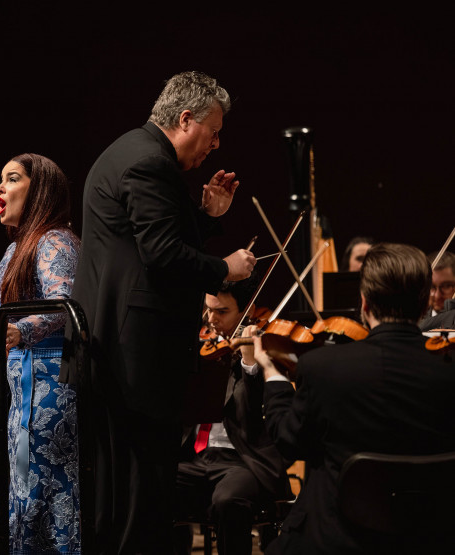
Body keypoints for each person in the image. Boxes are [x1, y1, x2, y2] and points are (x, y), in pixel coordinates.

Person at [71, 70, 255, 553]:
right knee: (139, 497)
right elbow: (163, 256)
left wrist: (206, 218)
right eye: (213, 132)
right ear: (186, 117)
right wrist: (226, 269)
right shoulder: (151, 163)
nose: (216, 144)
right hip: (136, 359)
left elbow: (144, 250)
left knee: (133, 493)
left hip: (121, 351)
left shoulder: (134, 151)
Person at [253, 242, 455, 554]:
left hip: (335, 540)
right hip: (429, 538)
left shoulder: (323, 367)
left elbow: (290, 443)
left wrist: (274, 376)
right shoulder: (448, 371)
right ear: (424, 302)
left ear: (363, 303)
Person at [0, 152, 82, 553]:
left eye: (12, 179)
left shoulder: (54, 239)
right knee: (25, 490)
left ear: (38, 190)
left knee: (48, 490)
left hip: (52, 383)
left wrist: (21, 331)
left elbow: (64, 303)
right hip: (23, 386)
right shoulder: (17, 248)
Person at [174, 274, 292, 555]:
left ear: (246, 311)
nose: (212, 319)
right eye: (209, 310)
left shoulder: (266, 350)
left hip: (241, 460)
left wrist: (250, 363)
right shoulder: (198, 345)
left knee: (228, 500)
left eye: (222, 312)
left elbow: (253, 415)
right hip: (195, 456)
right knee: (153, 484)